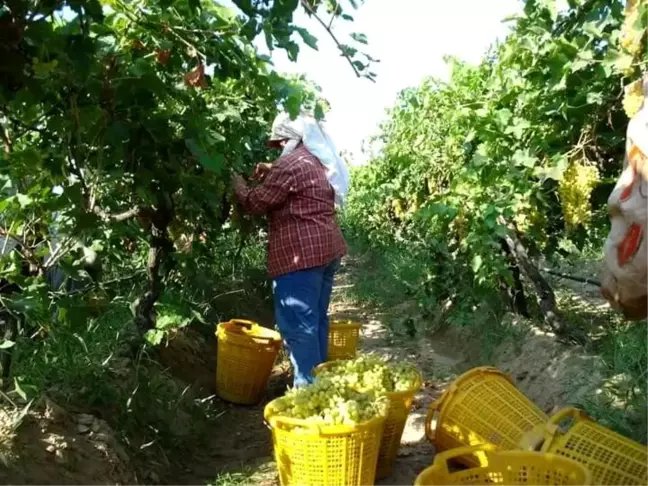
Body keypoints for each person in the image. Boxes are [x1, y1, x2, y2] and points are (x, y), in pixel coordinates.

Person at [231, 112, 350, 387]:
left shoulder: (290, 164)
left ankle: (308, 395)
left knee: (299, 328)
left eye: (281, 141)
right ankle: (322, 387)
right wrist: (273, 169)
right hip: (326, 251)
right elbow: (299, 180)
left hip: (301, 257)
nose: (280, 146)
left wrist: (237, 184)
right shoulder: (317, 160)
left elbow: (255, 203)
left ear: (291, 138)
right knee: (316, 322)